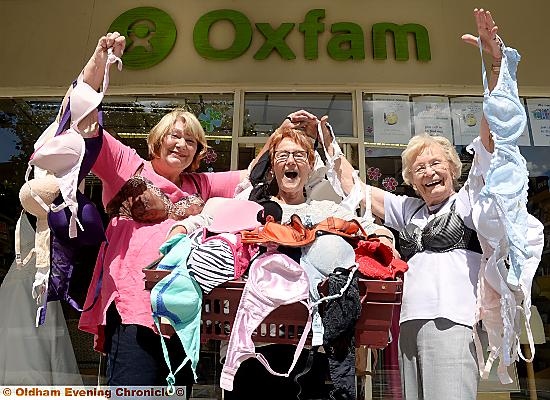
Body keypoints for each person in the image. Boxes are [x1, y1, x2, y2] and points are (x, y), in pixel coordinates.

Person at [297, 8, 543, 400]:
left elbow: (492, 135)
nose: (428, 172)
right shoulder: (408, 211)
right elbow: (355, 188)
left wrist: (493, 65)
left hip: (452, 321)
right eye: (418, 168)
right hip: (407, 324)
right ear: (411, 180)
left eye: (435, 163)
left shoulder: (468, 202)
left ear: (452, 168)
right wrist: (323, 139)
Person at [65, 32, 270, 390]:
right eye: (176, 136)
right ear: (158, 139)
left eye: (191, 141)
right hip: (133, 308)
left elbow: (256, 171)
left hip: (183, 316)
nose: (183, 144)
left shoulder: (200, 185)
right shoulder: (127, 166)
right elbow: (82, 118)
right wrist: (100, 60)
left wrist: (283, 135)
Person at [223, 123, 395, 400]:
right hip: (254, 345)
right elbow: (210, 223)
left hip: (311, 348)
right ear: (272, 166)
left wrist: (386, 241)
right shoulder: (253, 207)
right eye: (282, 156)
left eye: (299, 155)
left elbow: (370, 230)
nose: (291, 161)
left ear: (310, 165)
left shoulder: (325, 209)